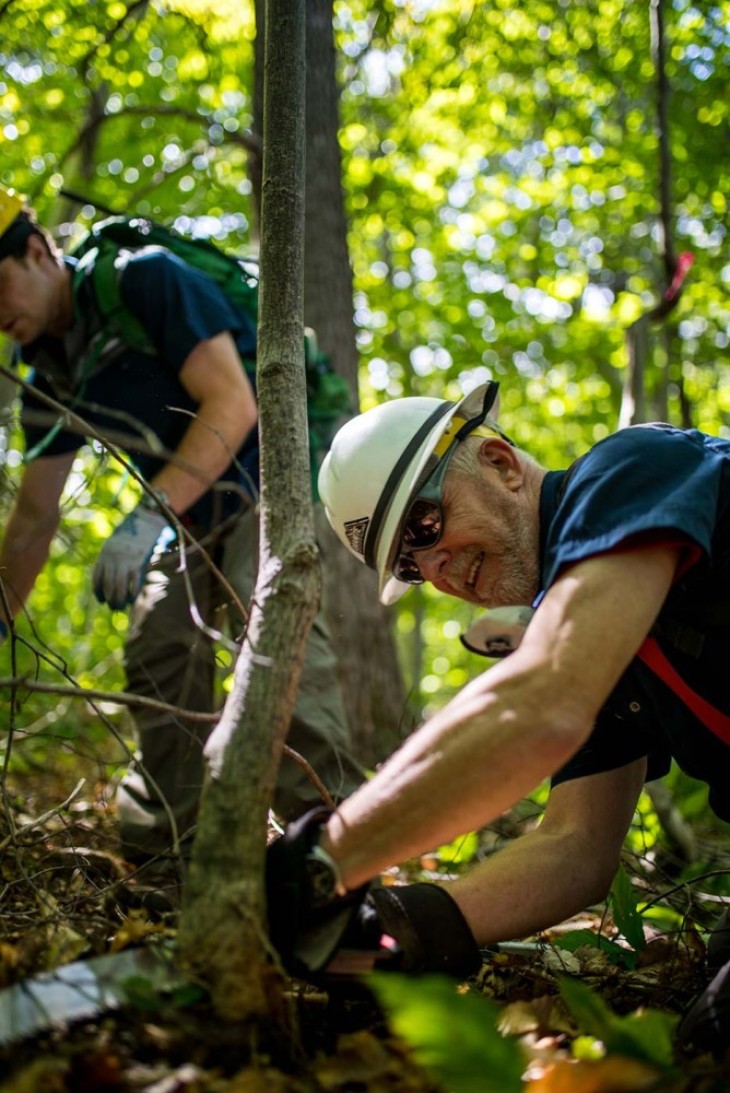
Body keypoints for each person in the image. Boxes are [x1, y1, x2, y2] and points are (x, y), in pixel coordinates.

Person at [267, 379, 730, 1053]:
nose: (438, 565)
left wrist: (322, 861)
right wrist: (418, 923)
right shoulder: (584, 629)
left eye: (426, 526)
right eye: (411, 564)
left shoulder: (629, 470)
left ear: (502, 464)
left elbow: (542, 701)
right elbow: (575, 846)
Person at [0, 192, 363, 906]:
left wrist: (142, 519)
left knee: (275, 641)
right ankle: (175, 858)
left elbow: (233, 403)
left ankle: (341, 853)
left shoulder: (147, 278)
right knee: (158, 648)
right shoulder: (48, 378)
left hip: (269, 488)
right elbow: (35, 515)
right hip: (185, 513)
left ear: (38, 252)